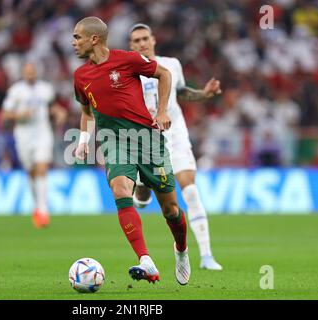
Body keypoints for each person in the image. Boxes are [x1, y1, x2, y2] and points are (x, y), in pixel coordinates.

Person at [73, 17, 191, 285]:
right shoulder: (80, 76)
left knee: (171, 209)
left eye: (77, 37)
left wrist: (161, 111)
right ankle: (145, 260)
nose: (73, 43)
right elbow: (86, 110)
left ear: (94, 39)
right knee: (120, 190)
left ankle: (181, 250)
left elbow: (165, 74)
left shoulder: (127, 60)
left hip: (147, 139)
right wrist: (83, 140)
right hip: (114, 141)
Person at [129, 23, 223, 270]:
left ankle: (206, 255)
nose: (142, 43)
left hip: (175, 132)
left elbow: (181, 92)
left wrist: (203, 94)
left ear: (153, 39)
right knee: (143, 194)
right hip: (146, 138)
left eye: (145, 38)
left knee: (190, 190)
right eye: (136, 40)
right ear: (131, 45)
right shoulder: (128, 70)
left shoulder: (171, 64)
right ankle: (141, 192)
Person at [2, 62, 67, 228]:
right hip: (23, 136)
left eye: (33, 71)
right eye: (27, 72)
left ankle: (43, 211)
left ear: (36, 72)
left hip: (42, 134)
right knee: (31, 172)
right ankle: (37, 205)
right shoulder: (16, 91)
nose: (30, 74)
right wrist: (20, 114)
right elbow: (5, 115)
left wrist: (59, 112)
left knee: (42, 168)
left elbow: (51, 107)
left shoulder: (46, 89)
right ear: (23, 73)